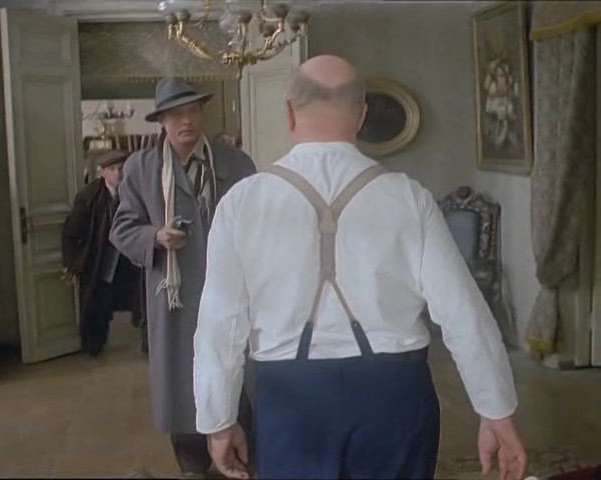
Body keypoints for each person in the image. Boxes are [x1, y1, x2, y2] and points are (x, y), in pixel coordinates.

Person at [193, 55, 527, 480]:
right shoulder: (408, 198)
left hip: (291, 401)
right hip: (394, 396)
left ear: (289, 113)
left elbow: (220, 324)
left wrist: (218, 420)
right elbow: (463, 313)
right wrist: (495, 409)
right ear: (362, 115)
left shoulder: (243, 203)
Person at [109, 78, 256, 478]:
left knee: (236, 371)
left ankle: (241, 454)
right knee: (182, 382)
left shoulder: (236, 163)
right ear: (161, 122)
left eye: (193, 111)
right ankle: (192, 464)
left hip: (231, 289)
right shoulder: (142, 168)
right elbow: (121, 229)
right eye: (175, 115)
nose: (186, 121)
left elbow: (259, 224)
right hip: (174, 296)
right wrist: (155, 237)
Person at [62, 150, 141, 356]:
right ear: (102, 172)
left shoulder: (135, 192)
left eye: (121, 168)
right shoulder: (88, 197)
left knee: (140, 299)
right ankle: (93, 345)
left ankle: (147, 340)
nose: (118, 174)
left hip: (128, 259)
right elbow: (71, 231)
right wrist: (72, 263)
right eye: (112, 169)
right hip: (101, 259)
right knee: (97, 306)